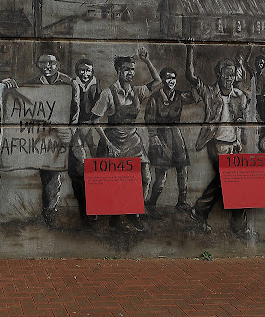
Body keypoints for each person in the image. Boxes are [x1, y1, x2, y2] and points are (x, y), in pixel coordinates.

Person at [186, 45, 255, 241]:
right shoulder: (209, 92)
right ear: (218, 74)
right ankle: (233, 224)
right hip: (215, 143)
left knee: (233, 183)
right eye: (225, 74)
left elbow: (240, 121)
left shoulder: (239, 96)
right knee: (228, 179)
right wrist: (190, 49)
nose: (229, 78)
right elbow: (191, 76)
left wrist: (240, 142)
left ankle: (202, 212)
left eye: (232, 74)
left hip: (233, 145)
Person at [91, 48, 161, 232]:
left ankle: (134, 211)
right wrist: (108, 144)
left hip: (133, 141)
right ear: (118, 71)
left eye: (132, 69)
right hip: (113, 140)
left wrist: (147, 60)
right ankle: (116, 216)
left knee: (145, 177)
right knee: (117, 180)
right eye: (125, 69)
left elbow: (158, 82)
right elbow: (95, 121)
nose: (129, 73)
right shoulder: (108, 93)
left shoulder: (137, 91)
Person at [25, 53, 76, 227]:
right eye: (43, 63)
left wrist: (71, 131)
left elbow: (76, 110)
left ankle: (57, 212)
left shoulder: (68, 83)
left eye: (51, 63)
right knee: (47, 174)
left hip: (63, 135)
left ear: (58, 64)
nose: (47, 66)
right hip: (43, 136)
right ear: (38, 65)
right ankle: (48, 211)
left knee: (68, 172)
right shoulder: (32, 83)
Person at [144, 67, 195, 218]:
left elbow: (195, 95)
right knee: (161, 173)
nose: (171, 81)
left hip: (176, 135)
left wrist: (194, 79)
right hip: (161, 137)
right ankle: (152, 204)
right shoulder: (154, 99)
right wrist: (154, 139)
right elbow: (149, 121)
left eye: (173, 78)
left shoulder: (179, 96)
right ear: (162, 80)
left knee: (182, 169)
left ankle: (181, 202)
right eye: (167, 77)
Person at [68, 58, 101, 223]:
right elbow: (72, 107)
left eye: (88, 71)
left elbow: (100, 107)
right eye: (82, 70)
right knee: (81, 166)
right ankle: (85, 208)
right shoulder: (72, 85)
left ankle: (98, 205)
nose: (85, 74)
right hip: (76, 128)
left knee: (96, 163)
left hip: (91, 128)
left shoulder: (95, 85)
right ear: (77, 71)